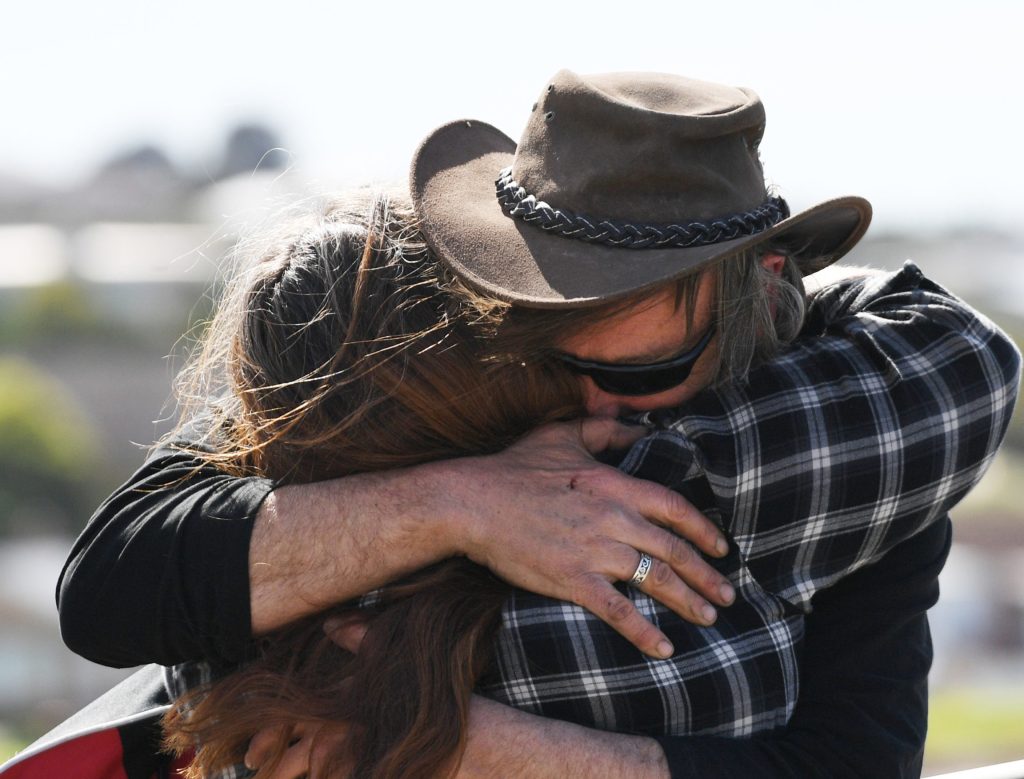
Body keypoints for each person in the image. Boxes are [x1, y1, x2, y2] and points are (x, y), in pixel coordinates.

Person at [54, 71, 1020, 778]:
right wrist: (460, 503)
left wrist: (440, 740)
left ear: (765, 294)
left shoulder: (856, 438)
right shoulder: (460, 372)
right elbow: (114, 580)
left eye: (640, 368)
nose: (588, 409)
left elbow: (854, 764)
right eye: (555, 356)